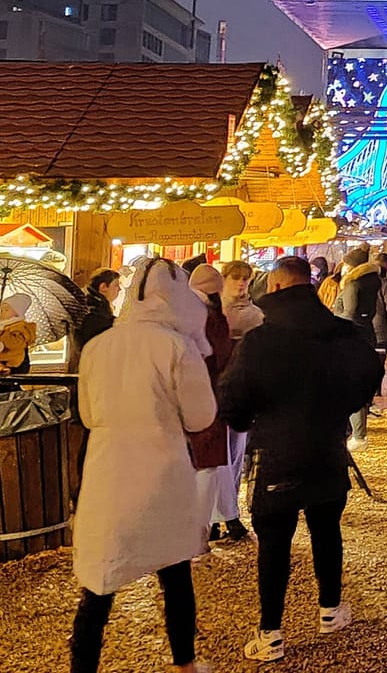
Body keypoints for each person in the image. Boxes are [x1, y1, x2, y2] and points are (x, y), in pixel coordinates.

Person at [220, 256, 383, 664]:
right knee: (327, 529)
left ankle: (271, 632)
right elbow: (368, 377)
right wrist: (340, 410)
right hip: (328, 448)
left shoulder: (261, 341)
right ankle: (330, 609)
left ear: (274, 288)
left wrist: (251, 420)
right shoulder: (342, 335)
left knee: (274, 543)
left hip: (278, 454)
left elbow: (233, 402)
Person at [69, 257, 218, 673]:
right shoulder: (176, 346)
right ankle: (184, 663)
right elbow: (200, 416)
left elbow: (87, 413)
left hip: (107, 471)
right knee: (174, 572)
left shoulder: (98, 346)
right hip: (161, 471)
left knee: (98, 584)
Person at [184, 264, 246, 545]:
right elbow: (218, 355)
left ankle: (215, 522)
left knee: (208, 462)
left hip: (194, 393)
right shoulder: (213, 316)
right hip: (211, 393)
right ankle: (216, 523)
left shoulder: (187, 312)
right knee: (213, 461)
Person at [334, 247, 386, 450]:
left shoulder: (353, 284)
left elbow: (348, 313)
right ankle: (357, 432)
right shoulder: (372, 282)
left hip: (349, 339)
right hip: (365, 336)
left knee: (350, 387)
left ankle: (358, 434)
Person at [70, 267, 121, 368]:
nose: (119, 289)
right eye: (116, 285)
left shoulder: (91, 306)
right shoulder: (94, 312)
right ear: (103, 287)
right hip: (93, 366)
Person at [222, 261, 264, 340]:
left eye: (245, 279)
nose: (241, 283)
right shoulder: (211, 308)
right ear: (224, 279)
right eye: (235, 278)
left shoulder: (256, 314)